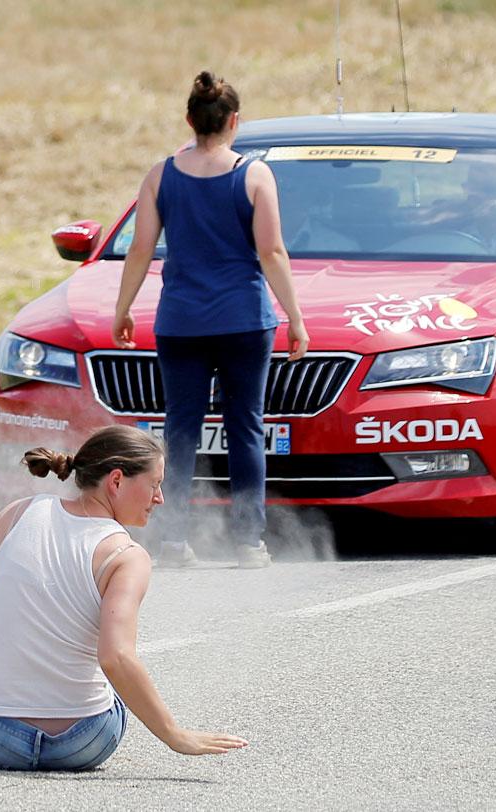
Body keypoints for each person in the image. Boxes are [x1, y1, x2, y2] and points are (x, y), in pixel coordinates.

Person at [0, 426, 248, 770]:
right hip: (84, 741)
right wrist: (175, 735)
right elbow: (116, 657)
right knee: (109, 682)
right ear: (116, 481)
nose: (159, 498)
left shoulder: (18, 513)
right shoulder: (127, 555)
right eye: (154, 485)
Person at [112, 71, 309, 569]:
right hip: (244, 321)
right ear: (234, 122)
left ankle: (175, 540)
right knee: (245, 427)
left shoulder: (161, 176)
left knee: (179, 432)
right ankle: (247, 542)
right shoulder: (255, 176)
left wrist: (123, 309)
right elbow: (272, 252)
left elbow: (140, 249)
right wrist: (296, 319)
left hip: (180, 323)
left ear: (189, 120)